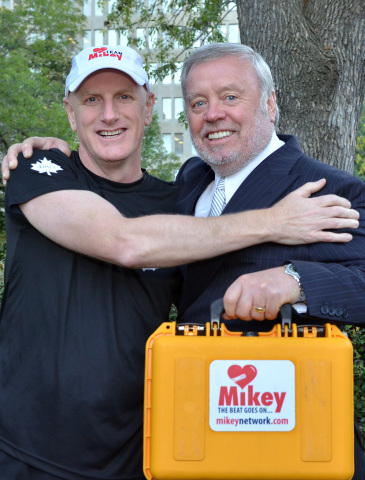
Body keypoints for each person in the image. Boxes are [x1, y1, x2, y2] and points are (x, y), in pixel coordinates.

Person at [1, 44, 361, 480]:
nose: (213, 114)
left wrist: (296, 282)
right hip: (42, 452)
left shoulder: (327, 192)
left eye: (230, 97)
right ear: (71, 112)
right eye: (198, 103)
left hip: (287, 450)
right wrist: (271, 223)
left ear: (270, 102)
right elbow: (128, 242)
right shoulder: (186, 190)